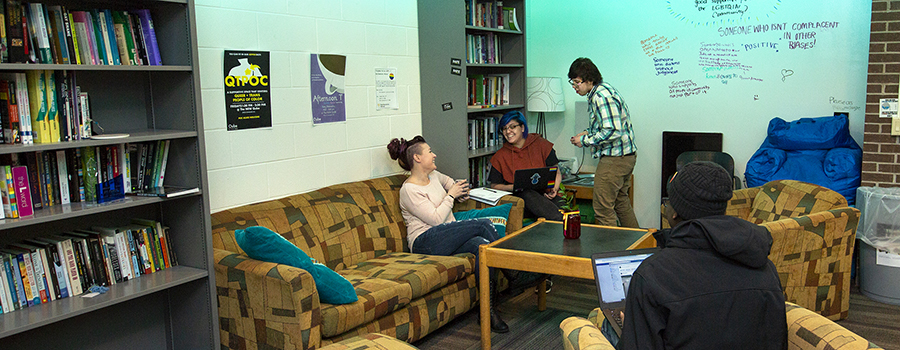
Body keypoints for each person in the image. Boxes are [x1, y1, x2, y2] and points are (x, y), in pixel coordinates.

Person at [603, 161, 787, 349]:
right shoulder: (764, 266)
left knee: (609, 325)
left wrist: (632, 327)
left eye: (668, 203)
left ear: (674, 213)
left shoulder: (652, 275)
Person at [387, 135, 510, 333]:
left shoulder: (434, 176)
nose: (434, 154)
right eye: (429, 152)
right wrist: (451, 195)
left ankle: (488, 312)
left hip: (445, 236)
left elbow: (452, 184)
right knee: (483, 224)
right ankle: (514, 271)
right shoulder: (408, 190)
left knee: (481, 246)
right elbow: (435, 219)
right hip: (425, 242)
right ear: (417, 158)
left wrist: (461, 191)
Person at [568, 57, 639, 228]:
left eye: (577, 82)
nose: (574, 87)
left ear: (589, 80)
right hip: (625, 157)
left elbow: (613, 131)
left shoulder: (601, 96)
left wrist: (585, 140)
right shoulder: (602, 91)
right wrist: (588, 132)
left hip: (615, 159)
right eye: (573, 82)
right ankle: (639, 246)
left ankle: (609, 253)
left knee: (602, 208)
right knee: (620, 203)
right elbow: (607, 125)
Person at [489, 111, 565, 221]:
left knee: (563, 206)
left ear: (522, 127)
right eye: (504, 128)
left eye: (512, 127)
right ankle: (559, 221)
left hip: (545, 195)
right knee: (527, 193)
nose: (508, 131)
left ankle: (565, 223)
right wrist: (515, 186)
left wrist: (555, 187)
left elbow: (556, 171)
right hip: (520, 200)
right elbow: (494, 186)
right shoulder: (500, 156)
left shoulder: (541, 144)